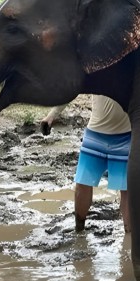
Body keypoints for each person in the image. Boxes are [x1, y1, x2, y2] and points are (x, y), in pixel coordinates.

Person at [41, 94, 132, 233]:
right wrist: (52, 115)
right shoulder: (92, 70)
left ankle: (129, 240)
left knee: (126, 190)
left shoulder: (134, 70)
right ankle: (79, 231)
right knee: (82, 185)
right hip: (95, 135)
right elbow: (73, 86)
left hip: (125, 137)